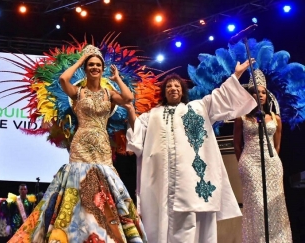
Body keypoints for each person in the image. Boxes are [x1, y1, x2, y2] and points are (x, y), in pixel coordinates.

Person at [8, 45, 147, 243]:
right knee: (77, 189)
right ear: (85, 68)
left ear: (102, 68)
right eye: (91, 64)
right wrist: (81, 60)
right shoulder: (78, 93)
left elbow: (128, 98)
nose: (95, 67)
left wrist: (117, 79)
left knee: (105, 188)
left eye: (98, 64)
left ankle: (104, 233)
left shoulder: (109, 94)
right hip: (81, 144)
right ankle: (74, 233)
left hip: (101, 144)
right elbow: (63, 79)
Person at [125, 59, 257, 243]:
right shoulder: (152, 115)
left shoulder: (196, 108)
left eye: (177, 86)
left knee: (190, 221)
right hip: (160, 182)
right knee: (159, 219)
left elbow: (220, 96)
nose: (173, 88)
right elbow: (137, 133)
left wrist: (236, 75)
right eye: (169, 86)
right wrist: (130, 109)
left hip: (189, 181)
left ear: (182, 90)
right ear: (164, 92)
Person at [233, 69, 292, 242]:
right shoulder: (241, 117)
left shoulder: (275, 117)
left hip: (272, 163)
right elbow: (236, 143)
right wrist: (243, 162)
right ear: (250, 95)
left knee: (274, 204)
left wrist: (273, 159)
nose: (260, 95)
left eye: (263, 92)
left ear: (266, 95)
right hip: (250, 162)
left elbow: (278, 143)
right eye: (256, 92)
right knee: (257, 205)